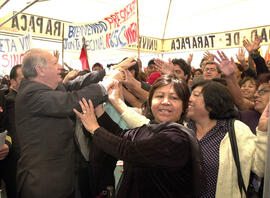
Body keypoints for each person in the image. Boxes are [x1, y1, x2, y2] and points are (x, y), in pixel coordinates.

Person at [15, 48, 129, 198]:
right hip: (44, 184)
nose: (60, 67)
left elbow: (77, 83)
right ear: (40, 70)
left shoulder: (51, 88)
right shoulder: (31, 94)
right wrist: (104, 85)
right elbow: (70, 101)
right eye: (55, 63)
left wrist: (108, 71)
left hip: (62, 179)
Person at [74, 75, 202, 198]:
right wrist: (100, 110)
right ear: (150, 102)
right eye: (159, 96)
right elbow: (121, 135)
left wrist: (94, 129)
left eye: (174, 98)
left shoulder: (177, 138)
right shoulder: (150, 128)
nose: (165, 102)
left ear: (184, 107)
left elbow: (129, 151)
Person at [186, 80, 267, 198]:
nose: (189, 99)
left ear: (212, 103)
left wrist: (263, 132)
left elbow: (259, 168)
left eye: (196, 95)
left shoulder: (236, 131)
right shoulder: (183, 127)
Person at [0, 64, 24, 198]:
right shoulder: (12, 100)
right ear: (13, 82)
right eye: (23, 79)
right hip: (15, 163)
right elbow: (14, 132)